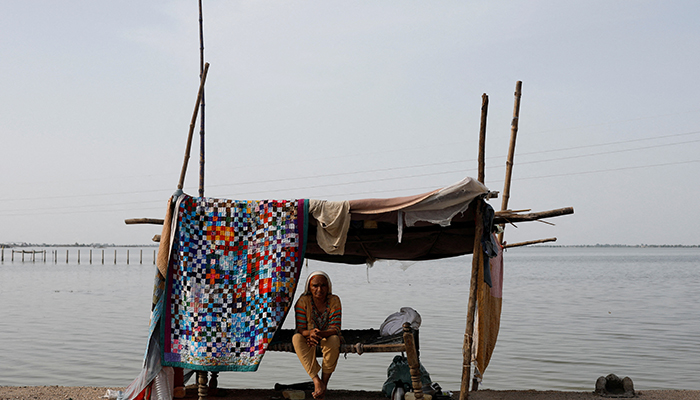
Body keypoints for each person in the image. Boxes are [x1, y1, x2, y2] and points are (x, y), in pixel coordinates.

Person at [292, 271, 342, 399]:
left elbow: (335, 328)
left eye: (323, 285)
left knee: (334, 340)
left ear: (328, 286)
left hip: (328, 335)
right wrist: (310, 333)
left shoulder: (334, 300)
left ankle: (323, 384)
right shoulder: (303, 301)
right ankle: (316, 381)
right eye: (315, 286)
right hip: (309, 336)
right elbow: (300, 329)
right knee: (296, 338)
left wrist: (320, 334)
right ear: (309, 287)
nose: (319, 289)